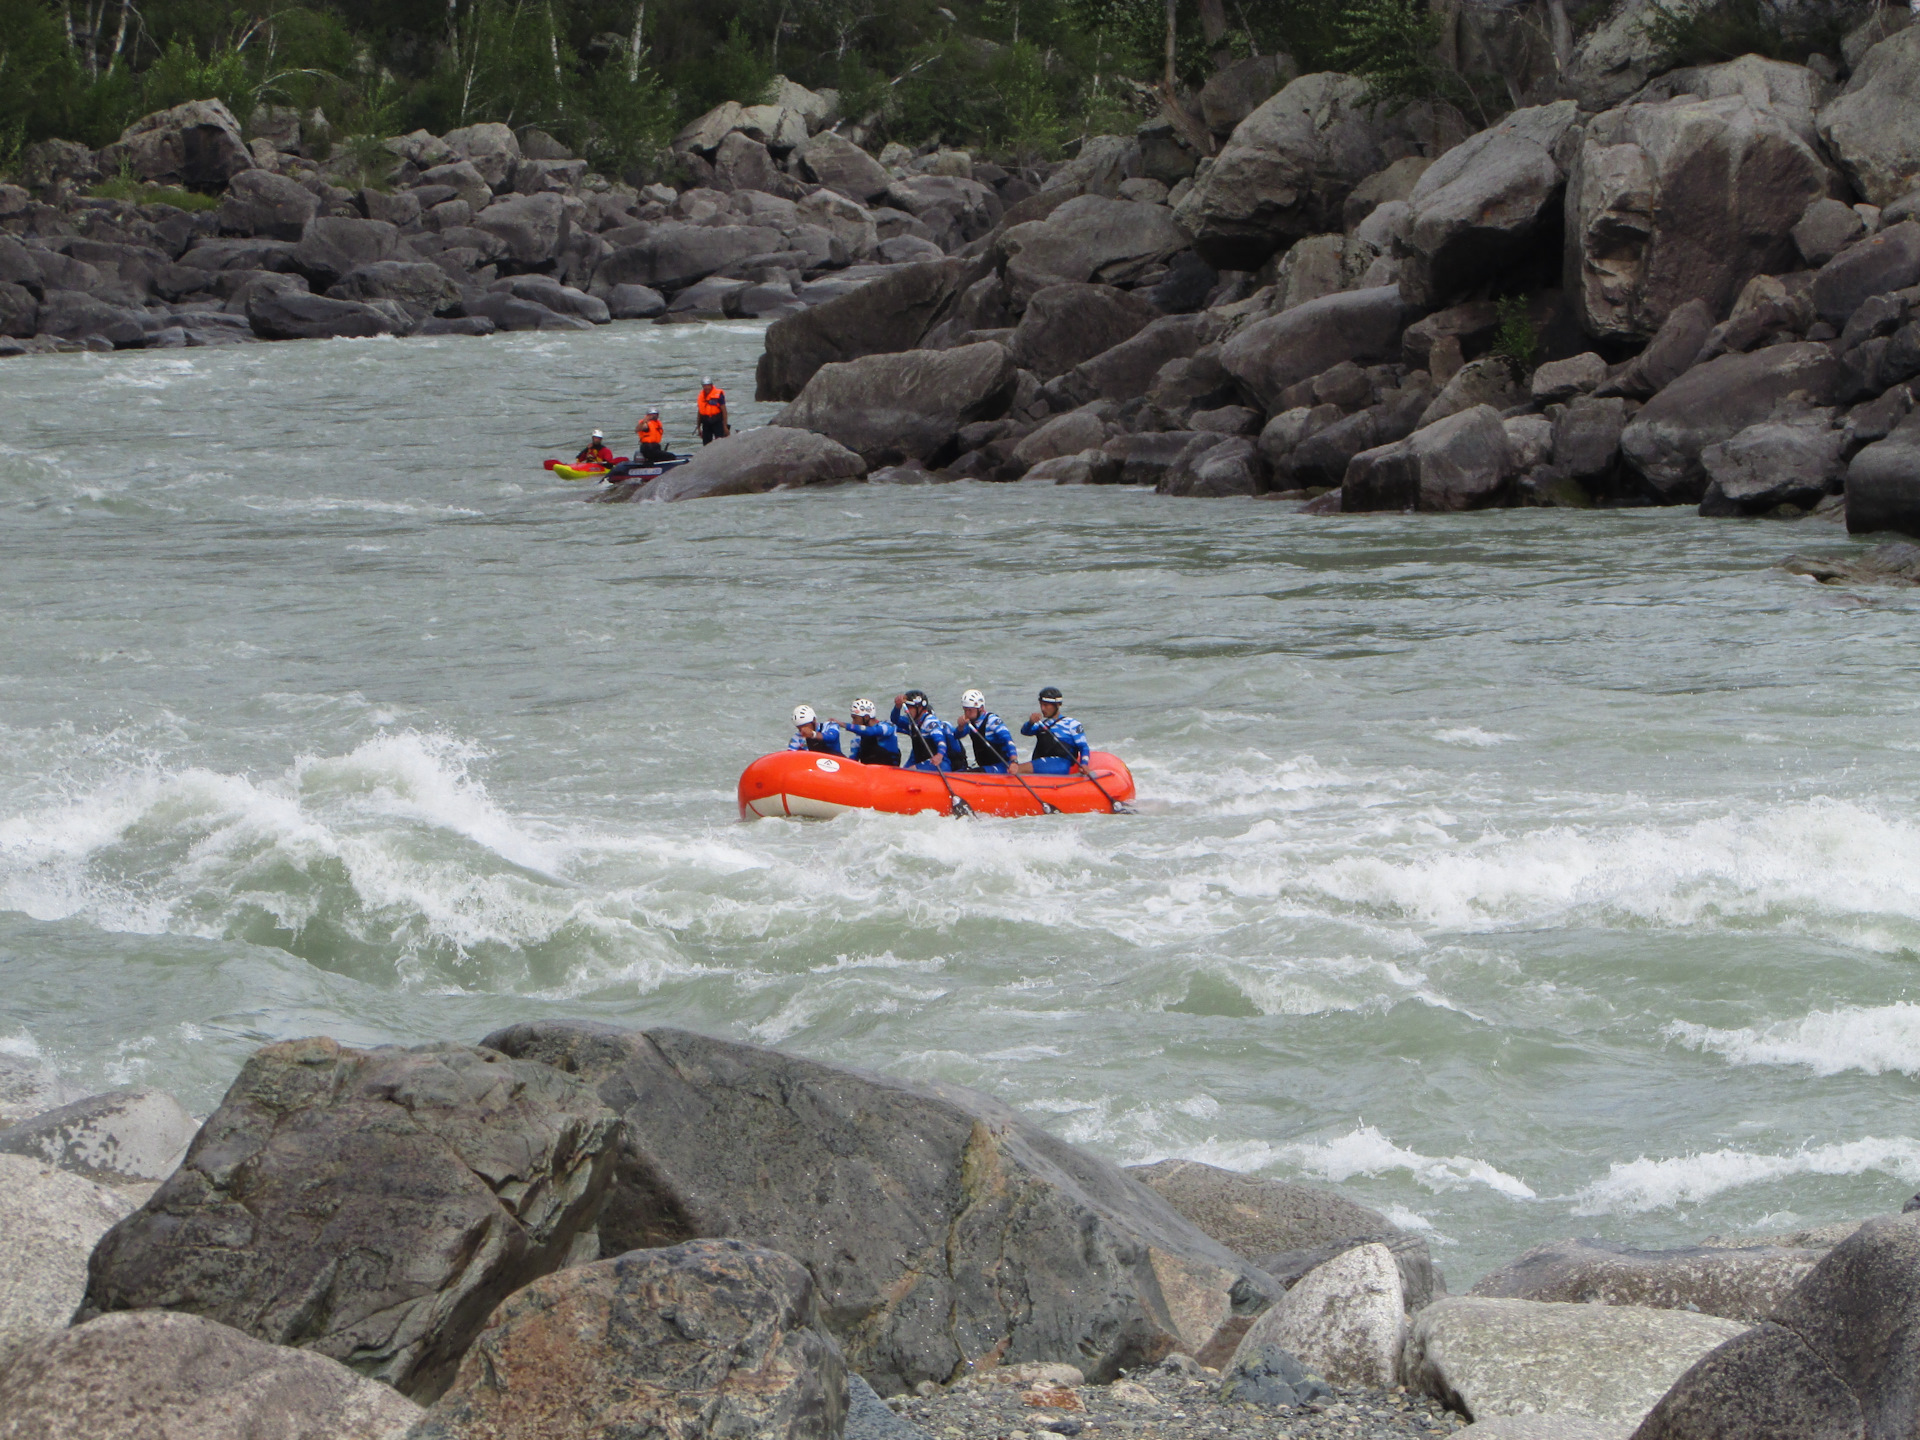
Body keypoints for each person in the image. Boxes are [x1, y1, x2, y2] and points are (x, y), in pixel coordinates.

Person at [1018, 686, 1090, 775]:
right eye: (1041, 704)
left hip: (1060, 764)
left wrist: (1084, 764)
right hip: (1043, 762)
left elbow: (1083, 747)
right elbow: (1025, 731)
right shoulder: (1042, 724)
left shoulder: (1072, 724)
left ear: (1057, 705)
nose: (1042, 708)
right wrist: (1030, 722)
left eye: (1046, 705)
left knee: (1017, 769)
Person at [951, 689, 1016, 773]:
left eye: (970, 710)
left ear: (980, 708)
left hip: (1001, 766)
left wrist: (1014, 761)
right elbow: (957, 736)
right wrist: (961, 726)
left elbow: (1008, 740)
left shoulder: (992, 720)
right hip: (985, 766)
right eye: (965, 710)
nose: (967, 713)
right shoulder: (970, 722)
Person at [891, 690, 953, 771]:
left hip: (939, 764)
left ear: (919, 708)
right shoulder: (912, 722)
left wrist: (939, 755)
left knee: (910, 771)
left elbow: (941, 741)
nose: (907, 711)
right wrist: (897, 707)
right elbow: (895, 720)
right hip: (921, 761)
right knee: (902, 771)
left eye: (910, 707)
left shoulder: (930, 722)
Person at [842, 698, 901, 766]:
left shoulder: (888, 726)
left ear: (866, 717)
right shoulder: (857, 739)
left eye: (855, 718)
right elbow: (852, 763)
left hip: (891, 772)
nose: (853, 722)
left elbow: (872, 731)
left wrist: (845, 725)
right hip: (870, 774)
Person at [697, 376, 730, 445]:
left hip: (717, 422)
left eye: (708, 385)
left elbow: (724, 411)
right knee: (706, 444)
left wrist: (725, 426)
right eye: (705, 386)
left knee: (720, 443)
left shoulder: (718, 395)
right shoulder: (701, 396)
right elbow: (700, 412)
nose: (707, 387)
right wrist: (698, 427)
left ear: (711, 385)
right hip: (706, 423)